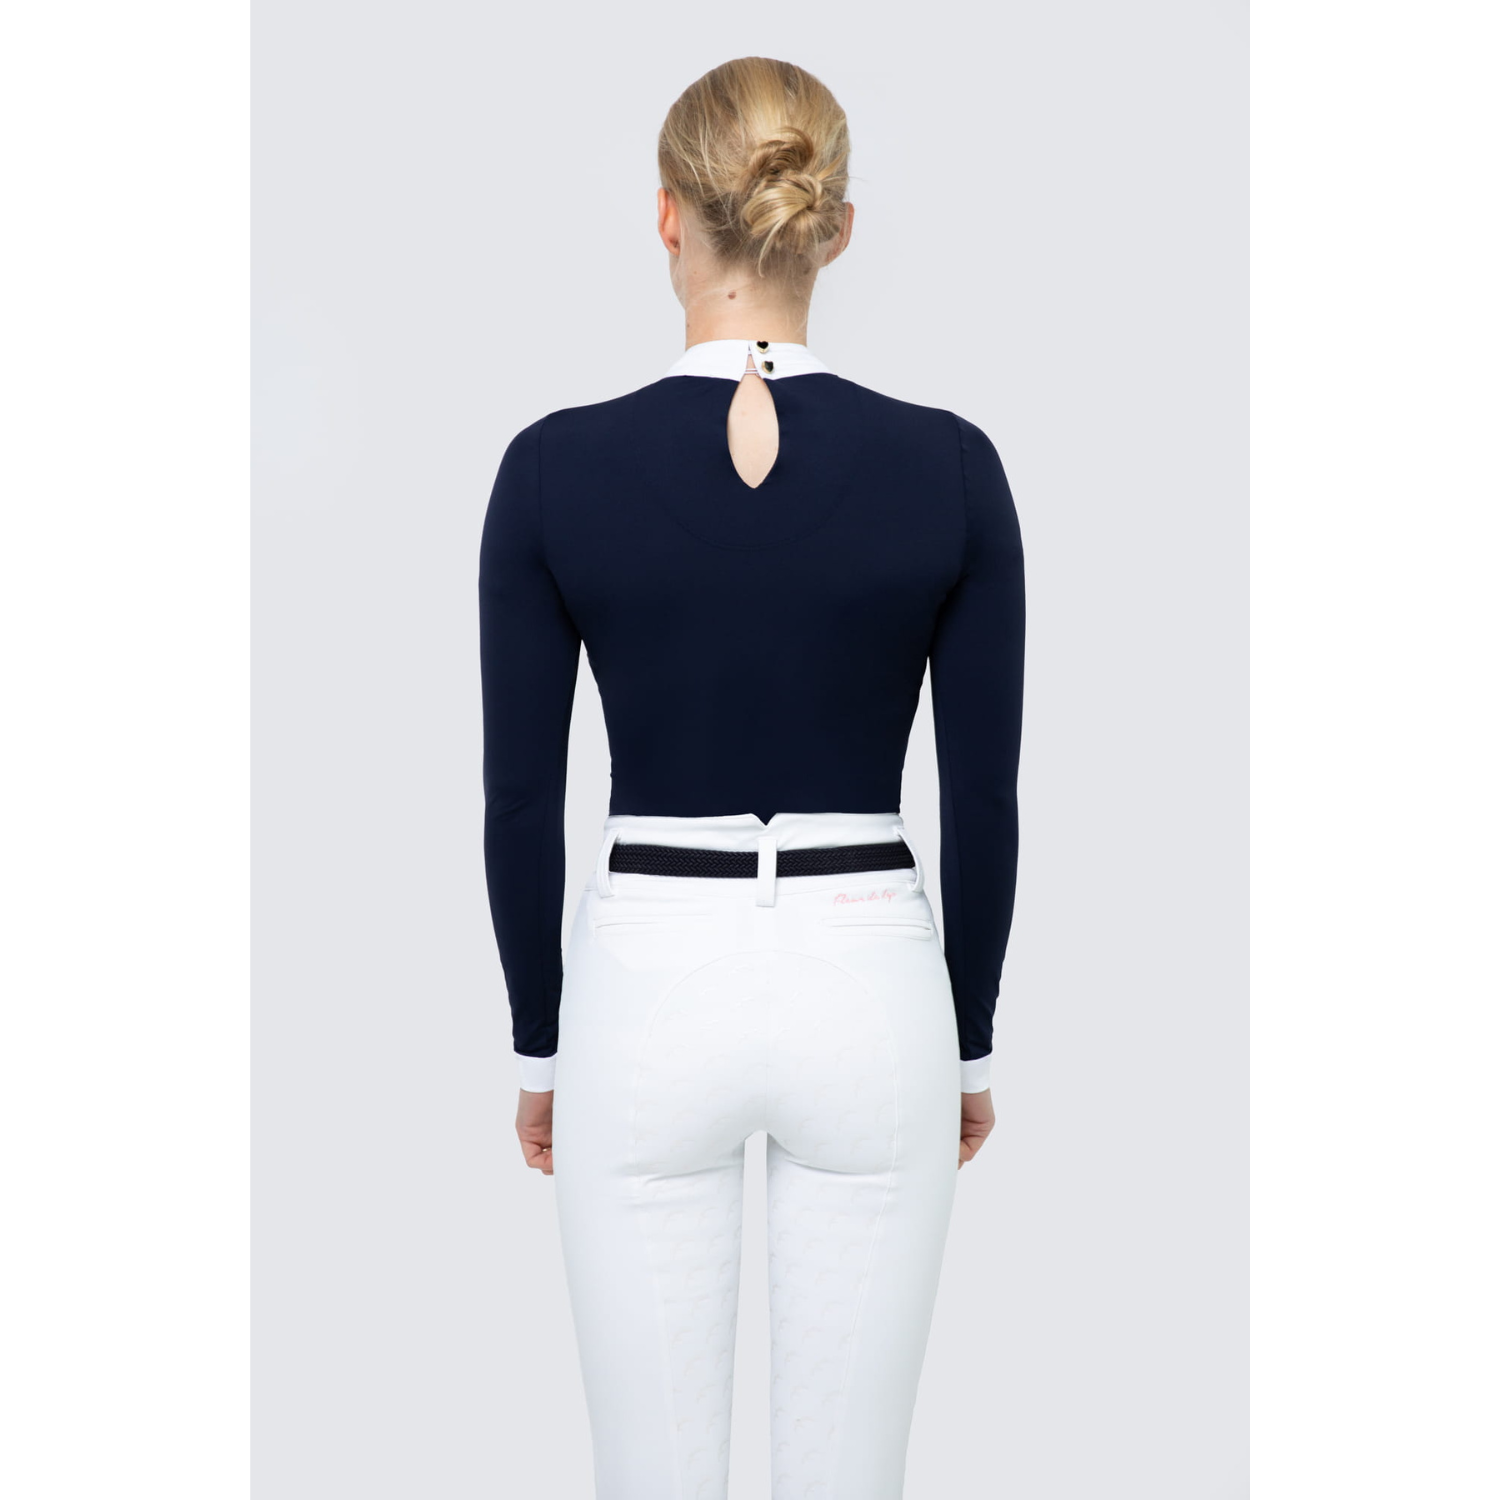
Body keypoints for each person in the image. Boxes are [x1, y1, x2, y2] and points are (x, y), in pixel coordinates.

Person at [478, 55, 1025, 1500]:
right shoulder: (952, 467)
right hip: (872, 977)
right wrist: (968, 1047)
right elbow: (982, 799)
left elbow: (522, 800)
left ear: (668, 215)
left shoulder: (552, 469)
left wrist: (542, 1051)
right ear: (834, 229)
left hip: (647, 978)